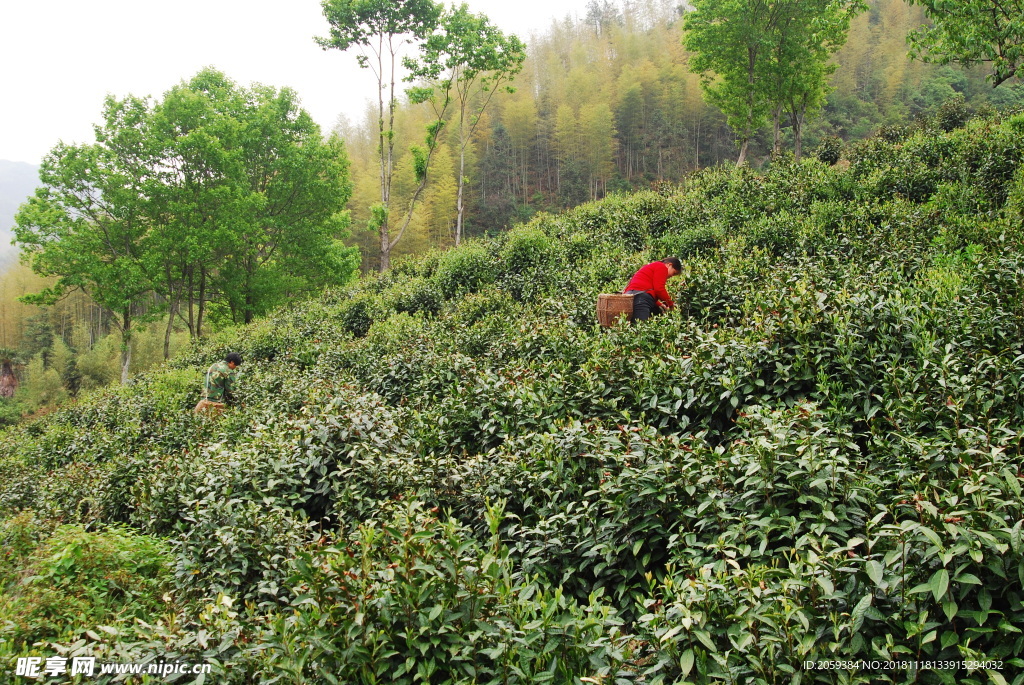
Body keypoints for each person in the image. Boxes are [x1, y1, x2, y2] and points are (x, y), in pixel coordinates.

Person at [623, 257, 682, 322]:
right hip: (640, 298)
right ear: (669, 265)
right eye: (674, 273)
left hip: (630, 297)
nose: (671, 276)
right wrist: (670, 304)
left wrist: (660, 304)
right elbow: (659, 289)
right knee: (641, 327)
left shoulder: (651, 266)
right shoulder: (661, 266)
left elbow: (646, 290)